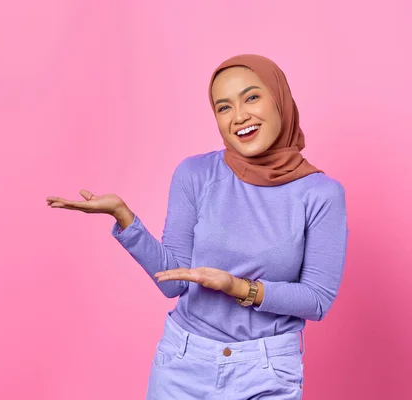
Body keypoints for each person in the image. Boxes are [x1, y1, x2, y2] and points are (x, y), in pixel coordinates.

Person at [46, 54, 348, 399]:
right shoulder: (195, 174)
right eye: (224, 107)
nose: (239, 117)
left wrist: (237, 287)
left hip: (266, 370)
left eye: (251, 97)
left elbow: (316, 300)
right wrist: (125, 218)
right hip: (184, 363)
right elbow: (174, 281)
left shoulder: (320, 193)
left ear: (280, 100)